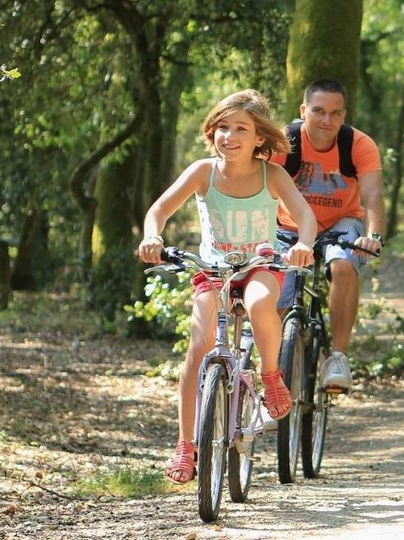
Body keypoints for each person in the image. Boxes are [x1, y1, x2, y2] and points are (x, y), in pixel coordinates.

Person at [137, 89, 317, 484]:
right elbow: (159, 210)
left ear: (259, 138)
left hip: (260, 266)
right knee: (197, 348)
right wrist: (153, 236)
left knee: (258, 304)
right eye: (222, 127)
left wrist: (303, 243)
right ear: (211, 131)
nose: (229, 136)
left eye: (241, 128)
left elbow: (304, 215)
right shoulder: (204, 171)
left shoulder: (273, 174)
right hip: (213, 271)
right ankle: (186, 445)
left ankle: (270, 374)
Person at [270, 79, 386, 391]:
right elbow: (262, 190)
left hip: (341, 222)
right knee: (277, 298)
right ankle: (275, 376)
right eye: (319, 111)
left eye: (335, 114)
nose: (326, 120)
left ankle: (338, 357)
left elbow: (373, 195)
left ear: (344, 115)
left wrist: (373, 234)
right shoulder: (285, 142)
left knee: (343, 265)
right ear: (303, 110)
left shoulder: (358, 145)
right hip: (289, 226)